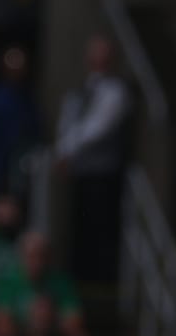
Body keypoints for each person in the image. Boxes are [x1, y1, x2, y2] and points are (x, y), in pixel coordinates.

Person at [53, 34, 130, 292]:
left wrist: (67, 149)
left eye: (103, 52)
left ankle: (101, 281)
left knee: (101, 229)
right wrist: (61, 151)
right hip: (79, 172)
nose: (98, 58)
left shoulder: (116, 91)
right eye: (94, 52)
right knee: (78, 229)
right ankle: (79, 280)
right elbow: (67, 122)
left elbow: (98, 127)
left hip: (103, 173)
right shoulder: (78, 91)